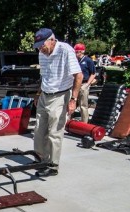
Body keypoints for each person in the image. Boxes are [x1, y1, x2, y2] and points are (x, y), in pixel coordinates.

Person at [32, 28, 83, 177]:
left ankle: (53, 165)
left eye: (43, 44)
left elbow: (78, 76)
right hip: (45, 94)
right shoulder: (42, 53)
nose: (41, 48)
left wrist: (73, 99)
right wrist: (38, 94)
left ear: (52, 40)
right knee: (39, 130)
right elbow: (44, 76)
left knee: (54, 132)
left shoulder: (65, 50)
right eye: (39, 46)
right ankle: (41, 159)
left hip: (60, 95)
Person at [74, 43, 96, 122]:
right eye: (75, 52)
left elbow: (93, 73)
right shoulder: (74, 60)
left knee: (83, 105)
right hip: (74, 83)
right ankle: (68, 121)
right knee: (72, 101)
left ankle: (84, 122)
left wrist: (87, 84)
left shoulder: (88, 60)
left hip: (84, 83)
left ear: (82, 51)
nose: (76, 54)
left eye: (78, 52)